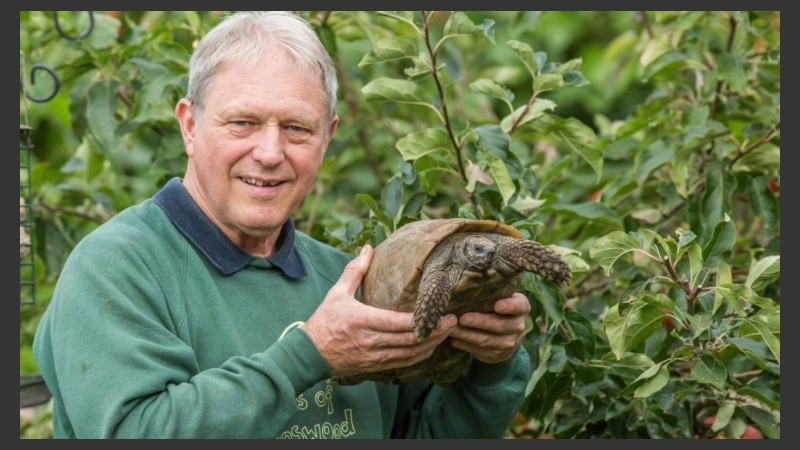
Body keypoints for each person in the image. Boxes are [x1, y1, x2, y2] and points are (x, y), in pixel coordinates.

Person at [33, 11, 533, 439]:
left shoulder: (348, 281)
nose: (270, 154)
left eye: (296, 128)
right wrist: (308, 357)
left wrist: (492, 367)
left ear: (328, 137)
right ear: (189, 125)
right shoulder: (116, 268)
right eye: (242, 123)